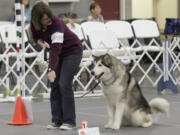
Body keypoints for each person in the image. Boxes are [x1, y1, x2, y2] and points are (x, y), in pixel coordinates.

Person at [30, 2, 83, 130]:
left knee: (64, 84)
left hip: (72, 51)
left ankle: (70, 121)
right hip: (58, 53)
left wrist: (51, 68)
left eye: (49, 18)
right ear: (37, 20)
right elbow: (35, 36)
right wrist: (40, 41)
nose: (48, 22)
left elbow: (56, 49)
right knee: (54, 85)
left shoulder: (57, 24)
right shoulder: (34, 24)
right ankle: (57, 120)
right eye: (45, 20)